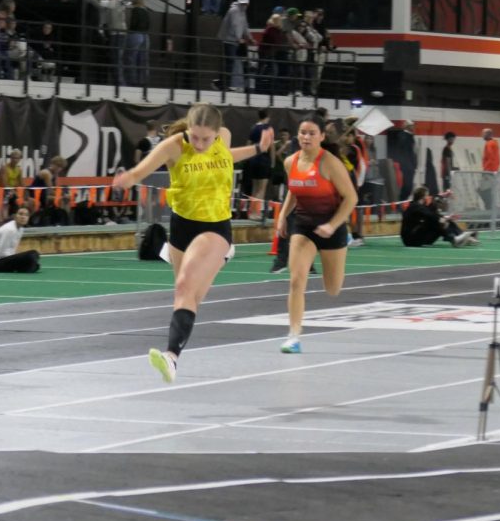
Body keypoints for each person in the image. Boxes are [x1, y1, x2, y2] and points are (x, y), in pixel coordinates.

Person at [113, 103, 274, 382]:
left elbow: (227, 156)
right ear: (188, 129)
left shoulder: (223, 137)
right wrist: (128, 179)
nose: (199, 144)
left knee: (186, 283)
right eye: (194, 137)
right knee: (187, 297)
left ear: (216, 133)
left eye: (205, 139)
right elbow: (143, 170)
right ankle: (176, 355)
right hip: (181, 227)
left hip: (214, 226)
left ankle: (171, 357)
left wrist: (258, 149)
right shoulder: (174, 146)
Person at [273, 113, 358, 353]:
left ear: (321, 136)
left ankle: (346, 239)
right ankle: (293, 336)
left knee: (333, 289)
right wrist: (282, 216)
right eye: (302, 132)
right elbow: (293, 190)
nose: (306, 137)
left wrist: (333, 225)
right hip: (304, 226)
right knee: (296, 280)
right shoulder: (290, 161)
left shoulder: (330, 163)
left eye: (312, 133)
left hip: (332, 226)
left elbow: (351, 198)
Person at [401, 186, 476, 248]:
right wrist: (441, 219)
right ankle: (455, 239)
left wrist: (445, 218)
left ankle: (462, 237)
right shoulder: (415, 206)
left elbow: (430, 213)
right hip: (411, 240)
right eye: (427, 195)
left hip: (416, 238)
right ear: (423, 197)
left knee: (442, 220)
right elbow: (429, 215)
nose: (428, 197)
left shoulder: (419, 206)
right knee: (435, 221)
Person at [217, 0, 255, 92]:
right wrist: (239, 39)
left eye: (245, 4)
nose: (244, 6)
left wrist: (250, 38)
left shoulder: (242, 12)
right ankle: (223, 83)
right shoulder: (234, 10)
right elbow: (235, 25)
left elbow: (245, 26)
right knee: (230, 61)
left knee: (230, 62)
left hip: (233, 41)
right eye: (243, 4)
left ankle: (223, 83)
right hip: (229, 40)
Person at [0, 206, 40, 273]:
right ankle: (26, 267)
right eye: (20, 214)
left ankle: (26, 267)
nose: (23, 217)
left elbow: (12, 248)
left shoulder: (20, 229)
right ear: (15, 216)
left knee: (35, 254)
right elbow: (1, 252)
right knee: (31, 255)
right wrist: (15, 260)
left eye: (26, 215)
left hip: (6, 259)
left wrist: (16, 259)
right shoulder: (9, 229)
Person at [245, 109, 273, 218]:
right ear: (268, 116)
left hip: (253, 160)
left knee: (255, 188)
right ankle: (256, 213)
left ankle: (251, 212)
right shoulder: (268, 128)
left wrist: (248, 158)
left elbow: (248, 144)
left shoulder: (253, 128)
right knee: (261, 188)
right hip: (263, 160)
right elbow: (272, 147)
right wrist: (273, 162)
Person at [479, 128, 500, 212]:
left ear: (488, 134)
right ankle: (490, 207)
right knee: (488, 190)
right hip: (493, 171)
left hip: (489, 171)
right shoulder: (495, 143)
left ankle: (489, 207)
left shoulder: (489, 144)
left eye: (483, 134)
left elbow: (491, 158)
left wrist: (486, 171)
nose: (482, 135)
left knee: (482, 190)